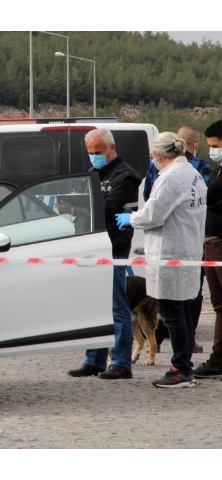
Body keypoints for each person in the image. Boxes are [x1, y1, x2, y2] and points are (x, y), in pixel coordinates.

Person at [117, 132, 207, 388]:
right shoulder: (192, 174)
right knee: (184, 313)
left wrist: (131, 218)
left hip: (171, 253)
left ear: (158, 155)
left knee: (172, 313)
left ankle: (181, 369)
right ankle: (184, 365)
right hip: (186, 251)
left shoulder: (170, 178)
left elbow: (153, 215)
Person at [62, 128, 141, 380]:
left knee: (117, 307)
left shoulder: (125, 176)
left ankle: (121, 362)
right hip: (91, 248)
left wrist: (75, 205)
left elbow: (108, 209)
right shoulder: (93, 173)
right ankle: (94, 360)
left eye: (98, 152)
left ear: (111, 147)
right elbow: (84, 204)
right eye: (90, 153)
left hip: (113, 247)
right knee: (94, 306)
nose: (94, 157)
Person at [194, 120, 222, 380]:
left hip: (220, 244)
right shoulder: (217, 169)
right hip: (211, 243)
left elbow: (210, 196)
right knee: (218, 305)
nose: (212, 150)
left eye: (215, 146)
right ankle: (217, 358)